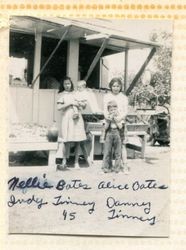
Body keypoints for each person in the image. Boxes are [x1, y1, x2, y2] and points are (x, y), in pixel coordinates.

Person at [57, 76, 87, 169]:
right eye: (65, 84)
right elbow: (59, 107)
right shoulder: (61, 94)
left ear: (71, 84)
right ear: (63, 85)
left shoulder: (76, 94)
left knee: (77, 140)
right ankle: (64, 161)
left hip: (77, 118)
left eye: (68, 83)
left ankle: (76, 162)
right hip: (67, 118)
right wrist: (70, 103)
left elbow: (83, 106)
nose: (67, 85)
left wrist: (79, 103)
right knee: (66, 141)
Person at [103, 77, 129, 173]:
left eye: (118, 86)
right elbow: (104, 110)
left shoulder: (123, 97)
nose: (116, 88)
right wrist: (107, 117)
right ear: (111, 86)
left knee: (122, 145)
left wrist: (120, 118)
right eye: (114, 86)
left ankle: (125, 166)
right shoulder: (107, 97)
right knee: (108, 147)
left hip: (120, 123)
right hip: (109, 123)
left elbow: (126, 111)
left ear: (121, 86)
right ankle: (108, 167)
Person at [102, 101, 123, 173]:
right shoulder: (107, 117)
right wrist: (109, 120)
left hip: (117, 133)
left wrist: (116, 119)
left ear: (117, 109)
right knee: (107, 151)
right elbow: (105, 128)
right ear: (108, 111)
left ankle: (117, 168)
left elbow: (120, 127)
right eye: (111, 110)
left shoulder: (119, 117)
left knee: (118, 152)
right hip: (109, 133)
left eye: (114, 109)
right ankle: (106, 167)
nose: (113, 111)